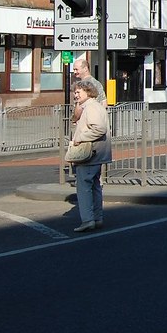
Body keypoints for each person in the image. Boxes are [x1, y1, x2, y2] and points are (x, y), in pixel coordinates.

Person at [70, 79, 112, 233]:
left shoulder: (91, 108)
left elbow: (99, 129)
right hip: (97, 153)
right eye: (75, 92)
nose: (76, 95)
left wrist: (80, 137)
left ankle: (88, 220)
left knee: (84, 186)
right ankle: (97, 217)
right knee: (94, 186)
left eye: (78, 92)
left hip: (91, 154)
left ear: (87, 92)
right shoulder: (93, 106)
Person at [71, 58, 106, 123]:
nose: (74, 72)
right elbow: (104, 103)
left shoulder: (81, 85)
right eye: (74, 70)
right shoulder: (97, 83)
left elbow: (79, 106)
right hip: (98, 120)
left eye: (76, 69)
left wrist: (74, 119)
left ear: (85, 69)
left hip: (85, 123)